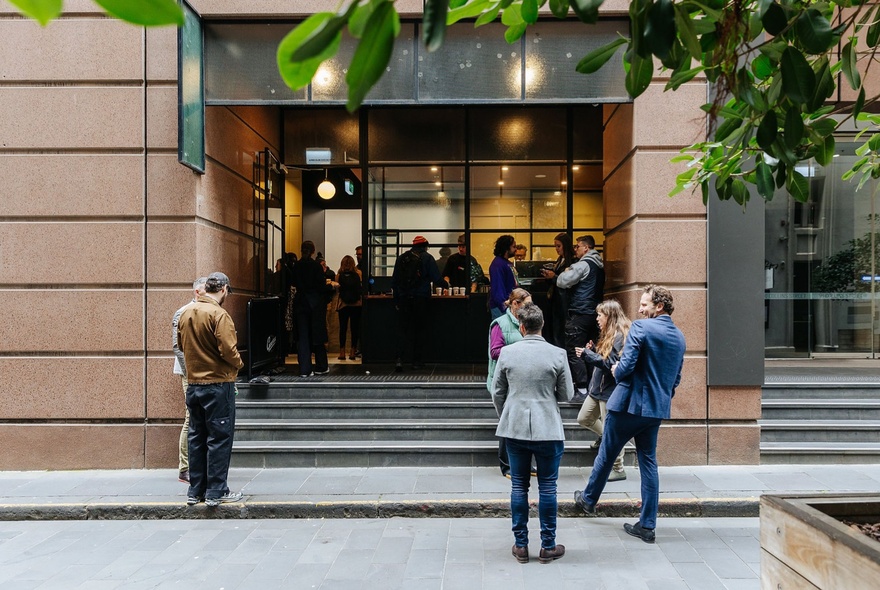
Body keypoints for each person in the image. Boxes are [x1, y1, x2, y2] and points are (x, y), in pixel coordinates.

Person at [573, 285, 687, 545]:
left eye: (644, 304)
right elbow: (676, 378)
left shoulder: (641, 327)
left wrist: (615, 369)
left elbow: (625, 368)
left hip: (626, 404)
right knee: (649, 463)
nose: (639, 309)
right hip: (655, 409)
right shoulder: (679, 337)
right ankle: (647, 525)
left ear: (659, 306)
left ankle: (588, 499)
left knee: (607, 453)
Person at [491, 303, 573, 564]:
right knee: (548, 487)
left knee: (518, 486)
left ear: (522, 327)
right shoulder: (558, 354)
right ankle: (548, 546)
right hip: (548, 427)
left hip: (514, 427)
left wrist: (508, 412)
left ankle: (521, 545)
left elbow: (497, 392)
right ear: (542, 326)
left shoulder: (507, 353)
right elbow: (567, 395)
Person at [177, 272, 243, 507]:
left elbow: (181, 345)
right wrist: (239, 364)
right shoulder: (219, 314)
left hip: (194, 385)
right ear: (223, 289)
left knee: (197, 436)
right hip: (217, 383)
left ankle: (196, 491)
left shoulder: (185, 313)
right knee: (219, 438)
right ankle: (217, 491)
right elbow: (228, 349)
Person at [574, 299, 630, 482]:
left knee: (612, 430)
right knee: (584, 418)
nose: (597, 318)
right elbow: (605, 358)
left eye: (600, 314)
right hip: (598, 389)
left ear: (610, 316)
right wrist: (594, 351)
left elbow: (612, 364)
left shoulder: (620, 336)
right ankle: (603, 437)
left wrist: (588, 354)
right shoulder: (609, 333)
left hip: (609, 390)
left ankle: (618, 467)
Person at [487, 288, 533, 478]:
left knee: (525, 424)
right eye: (527, 305)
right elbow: (495, 351)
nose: (531, 309)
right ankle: (507, 466)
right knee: (508, 423)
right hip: (504, 382)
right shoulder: (500, 324)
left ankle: (526, 465)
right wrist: (519, 350)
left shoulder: (528, 323)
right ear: (515, 304)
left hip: (522, 380)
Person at [556, 235, 605, 401]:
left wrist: (566, 271)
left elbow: (562, 282)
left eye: (577, 246)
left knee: (574, 350)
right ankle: (592, 387)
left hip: (580, 312)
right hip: (595, 314)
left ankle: (582, 390)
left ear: (586, 248)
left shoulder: (583, 264)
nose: (575, 249)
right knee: (590, 349)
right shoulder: (600, 265)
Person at [171, 276, 207, 484]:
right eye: (205, 290)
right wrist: (189, 372)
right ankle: (184, 467)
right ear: (196, 292)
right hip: (190, 372)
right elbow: (177, 347)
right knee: (190, 417)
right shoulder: (183, 312)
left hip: (203, 372)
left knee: (199, 417)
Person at [391, 235, 443, 371]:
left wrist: (397, 299)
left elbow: (394, 281)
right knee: (419, 329)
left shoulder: (402, 258)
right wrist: (446, 285)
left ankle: (399, 359)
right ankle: (416, 361)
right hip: (421, 298)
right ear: (425, 246)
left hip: (404, 299)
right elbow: (436, 278)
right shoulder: (427, 258)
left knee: (402, 329)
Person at [293, 241, 332, 376]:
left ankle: (305, 369)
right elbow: (321, 286)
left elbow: (294, 282)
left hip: (300, 302)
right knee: (317, 335)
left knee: (303, 337)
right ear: (313, 251)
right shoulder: (316, 266)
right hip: (314, 304)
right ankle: (321, 366)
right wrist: (331, 287)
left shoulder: (296, 266)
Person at [540, 232, 575, 348]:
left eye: (558, 246)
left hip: (563, 300)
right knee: (553, 329)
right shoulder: (560, 260)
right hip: (555, 299)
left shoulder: (572, 261)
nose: (556, 249)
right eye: (555, 246)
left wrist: (554, 277)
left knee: (560, 330)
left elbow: (567, 281)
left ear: (565, 245)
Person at [336, 255, 362, 361]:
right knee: (354, 329)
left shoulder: (338, 275)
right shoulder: (359, 273)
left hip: (343, 305)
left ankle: (342, 352)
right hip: (356, 304)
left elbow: (338, 291)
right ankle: (352, 351)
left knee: (343, 328)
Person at [488, 234, 518, 320]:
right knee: (503, 332)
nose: (516, 249)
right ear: (506, 248)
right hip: (502, 307)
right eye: (513, 247)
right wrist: (504, 306)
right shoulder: (498, 265)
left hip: (509, 304)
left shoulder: (506, 263)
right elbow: (498, 288)